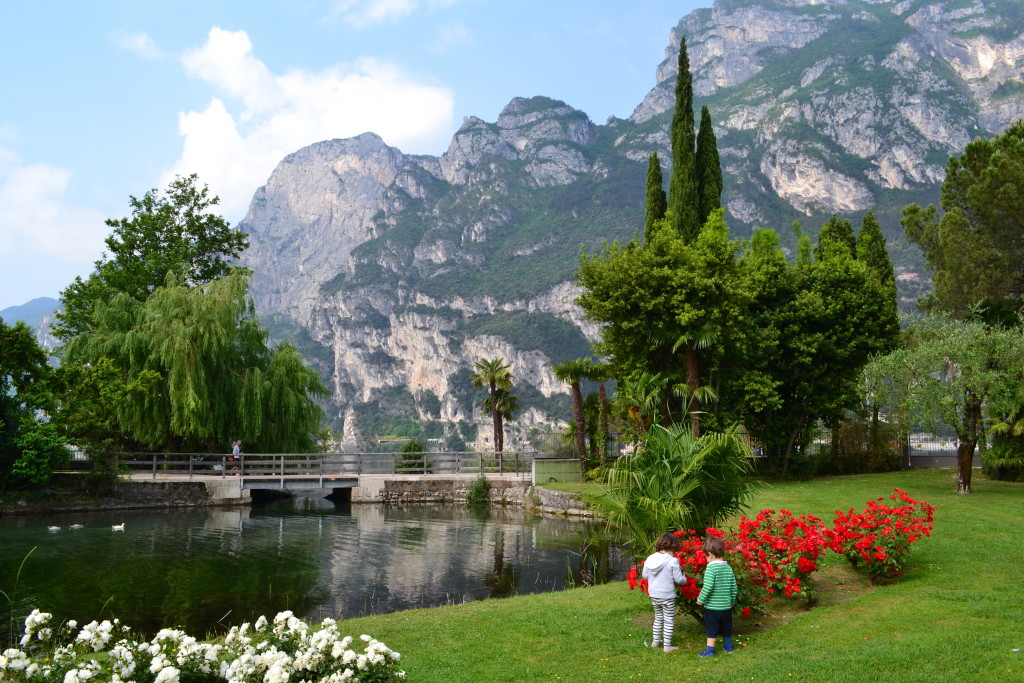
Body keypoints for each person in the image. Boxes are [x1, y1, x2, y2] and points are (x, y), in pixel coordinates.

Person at [642, 532, 687, 653]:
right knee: (668, 619)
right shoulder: (673, 561)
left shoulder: (650, 558)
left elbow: (645, 575)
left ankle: (655, 642)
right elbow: (679, 580)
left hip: (654, 594)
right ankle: (667, 646)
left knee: (658, 618)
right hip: (667, 596)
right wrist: (685, 578)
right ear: (673, 547)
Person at [696, 536, 738, 657]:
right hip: (726, 607)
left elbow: (708, 587)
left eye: (705, 556)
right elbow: (734, 587)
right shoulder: (728, 568)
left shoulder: (711, 569)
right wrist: (732, 601)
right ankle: (728, 647)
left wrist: (700, 599)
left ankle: (709, 651)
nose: (705, 559)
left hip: (712, 608)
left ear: (710, 554)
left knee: (712, 629)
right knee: (727, 628)